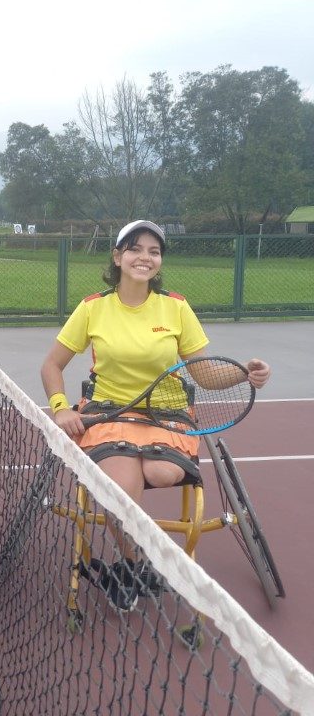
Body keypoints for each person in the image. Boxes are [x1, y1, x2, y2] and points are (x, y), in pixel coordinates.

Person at [40, 220, 271, 610]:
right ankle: (134, 564)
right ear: (118, 256)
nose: (144, 257)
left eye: (153, 251)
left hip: (167, 414)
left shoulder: (175, 308)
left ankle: (136, 559)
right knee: (119, 493)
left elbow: (205, 372)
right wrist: (61, 409)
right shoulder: (93, 308)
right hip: (109, 414)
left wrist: (244, 373)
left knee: (162, 473)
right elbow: (51, 365)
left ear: (159, 262)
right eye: (135, 249)